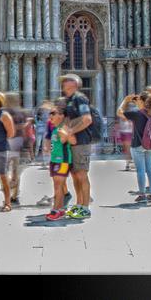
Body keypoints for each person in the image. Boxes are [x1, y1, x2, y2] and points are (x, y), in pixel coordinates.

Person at [59, 74, 94, 219]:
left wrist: (70, 132)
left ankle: (85, 207)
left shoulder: (80, 98)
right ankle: (79, 205)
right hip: (72, 143)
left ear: (74, 85)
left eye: (67, 83)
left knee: (81, 174)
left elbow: (87, 119)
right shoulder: (70, 100)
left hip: (81, 142)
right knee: (74, 174)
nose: (64, 86)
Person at [117, 93, 151, 203]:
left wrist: (126, 101)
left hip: (138, 144)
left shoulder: (136, 113)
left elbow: (119, 112)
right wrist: (138, 103)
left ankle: (142, 194)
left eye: (138, 99)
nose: (136, 100)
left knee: (141, 170)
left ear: (142, 101)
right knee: (150, 169)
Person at [45, 100, 77, 221]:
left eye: (53, 113)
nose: (50, 116)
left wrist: (66, 134)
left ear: (61, 116)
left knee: (58, 186)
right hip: (55, 160)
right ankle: (60, 209)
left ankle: (56, 210)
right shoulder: (55, 128)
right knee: (57, 185)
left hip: (63, 161)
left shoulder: (63, 127)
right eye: (50, 113)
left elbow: (73, 141)